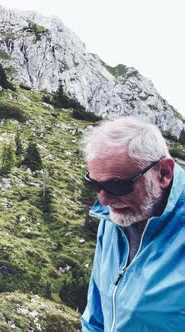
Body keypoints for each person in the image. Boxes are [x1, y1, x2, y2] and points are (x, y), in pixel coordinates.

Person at [80, 117, 185, 331]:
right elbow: (95, 318)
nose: (104, 200)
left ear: (164, 173)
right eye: (94, 184)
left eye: (117, 185)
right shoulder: (113, 216)